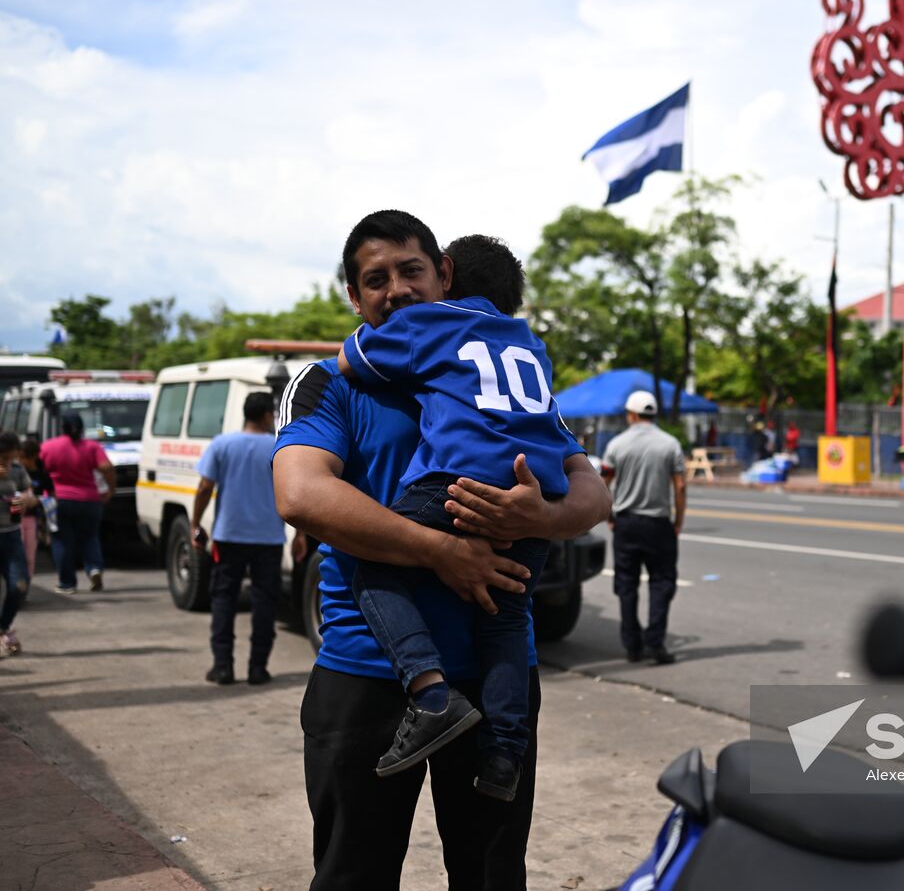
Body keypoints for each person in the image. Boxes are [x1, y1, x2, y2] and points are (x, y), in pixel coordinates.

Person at [273, 209, 610, 890]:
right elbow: (302, 496)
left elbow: (592, 493)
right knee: (352, 875)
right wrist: (440, 551)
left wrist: (538, 514)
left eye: (410, 270)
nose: (394, 288)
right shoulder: (329, 382)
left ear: (443, 274)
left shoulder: (490, 377)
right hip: (366, 673)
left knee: (491, 876)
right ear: (353, 295)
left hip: (490, 682)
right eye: (375, 279)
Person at [336, 230, 584, 797]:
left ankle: (430, 694)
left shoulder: (432, 324)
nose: (402, 291)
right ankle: (503, 755)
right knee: (504, 618)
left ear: (446, 278)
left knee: (374, 570)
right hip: (532, 492)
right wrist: (543, 515)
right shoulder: (530, 343)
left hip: (459, 483)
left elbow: (353, 360)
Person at [193, 392, 299, 687]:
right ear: (266, 415)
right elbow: (296, 489)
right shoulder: (279, 447)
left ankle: (223, 667)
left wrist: (194, 523)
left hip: (229, 536)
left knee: (224, 599)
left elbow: (204, 487)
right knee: (265, 602)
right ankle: (257, 668)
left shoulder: (222, 444)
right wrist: (300, 534)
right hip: (268, 539)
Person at [601, 390, 686, 665]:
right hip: (659, 524)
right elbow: (680, 486)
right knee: (662, 582)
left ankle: (632, 646)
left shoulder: (617, 444)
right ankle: (655, 643)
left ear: (633, 415)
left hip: (625, 523)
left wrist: (609, 516)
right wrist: (678, 521)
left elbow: (604, 484)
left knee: (626, 583)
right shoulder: (670, 444)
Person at [39, 412, 114, 593]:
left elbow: (38, 470)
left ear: (62, 427)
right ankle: (94, 569)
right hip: (89, 500)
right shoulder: (92, 447)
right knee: (90, 537)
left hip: (59, 500)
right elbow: (106, 467)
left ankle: (67, 584)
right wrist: (110, 490)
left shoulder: (48, 447)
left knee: (62, 541)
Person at [0, 432, 37, 657]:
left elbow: (31, 494)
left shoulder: (17, 470)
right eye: (3, 457)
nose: (7, 462)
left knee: (20, 584)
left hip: (12, 535)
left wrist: (26, 499)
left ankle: (4, 626)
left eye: (10, 457)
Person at [17, 438, 53, 581]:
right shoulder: (16, 472)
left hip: (33, 519)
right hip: (15, 519)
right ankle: (16, 585)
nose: (21, 460)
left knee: (30, 556)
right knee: (16, 555)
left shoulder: (42, 473)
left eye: (23, 457)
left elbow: (52, 495)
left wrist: (37, 500)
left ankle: (26, 585)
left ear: (33, 456)